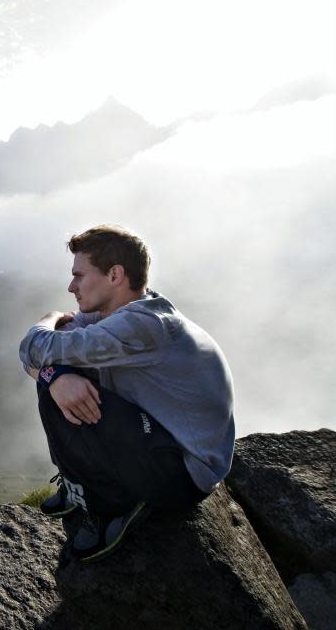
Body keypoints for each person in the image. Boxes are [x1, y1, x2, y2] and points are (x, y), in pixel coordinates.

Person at [18, 224, 234, 562]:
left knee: (60, 382)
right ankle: (78, 485)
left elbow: (36, 344)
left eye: (79, 275)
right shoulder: (111, 315)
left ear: (115, 274)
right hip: (159, 439)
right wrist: (55, 377)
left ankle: (107, 511)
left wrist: (50, 318)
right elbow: (35, 356)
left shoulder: (144, 325)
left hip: (184, 473)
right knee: (59, 382)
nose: (71, 286)